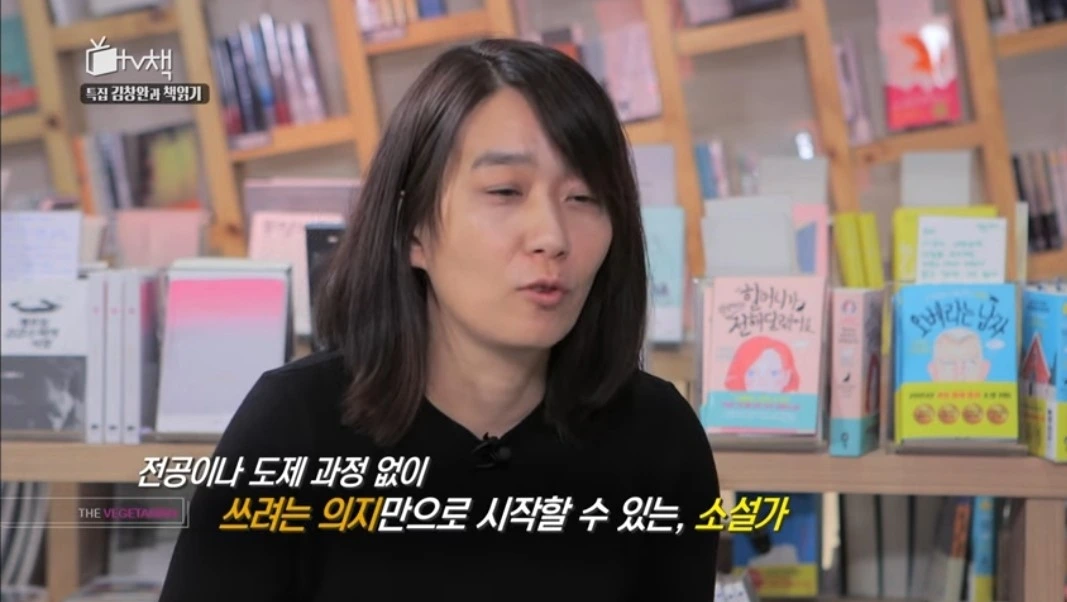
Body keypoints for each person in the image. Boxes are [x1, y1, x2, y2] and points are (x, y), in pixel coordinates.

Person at [160, 38, 720, 601]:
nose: (552, 236)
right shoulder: (292, 431)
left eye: (584, 198)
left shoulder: (659, 440)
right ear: (413, 228)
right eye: (505, 191)